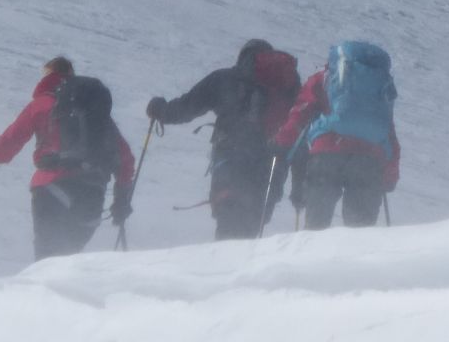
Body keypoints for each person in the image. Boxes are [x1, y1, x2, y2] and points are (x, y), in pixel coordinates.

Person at [0, 57, 136, 259]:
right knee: (69, 261)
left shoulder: (41, 104)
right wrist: (121, 198)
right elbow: (126, 157)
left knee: (47, 262)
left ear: (49, 75)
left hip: (52, 188)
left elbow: (7, 147)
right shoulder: (95, 114)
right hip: (92, 195)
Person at [146, 39, 301, 239]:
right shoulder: (284, 86)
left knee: (228, 224)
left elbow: (187, 108)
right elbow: (300, 129)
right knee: (251, 229)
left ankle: (225, 266)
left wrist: (161, 111)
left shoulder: (225, 79)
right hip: (269, 168)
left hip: (231, 161)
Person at [273, 42, 398, 230]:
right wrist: (390, 175)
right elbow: (389, 132)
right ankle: (351, 258)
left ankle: (312, 254)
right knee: (360, 230)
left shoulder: (326, 77)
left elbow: (301, 111)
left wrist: (282, 141)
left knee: (316, 225)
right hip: (370, 159)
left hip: (327, 152)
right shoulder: (381, 87)